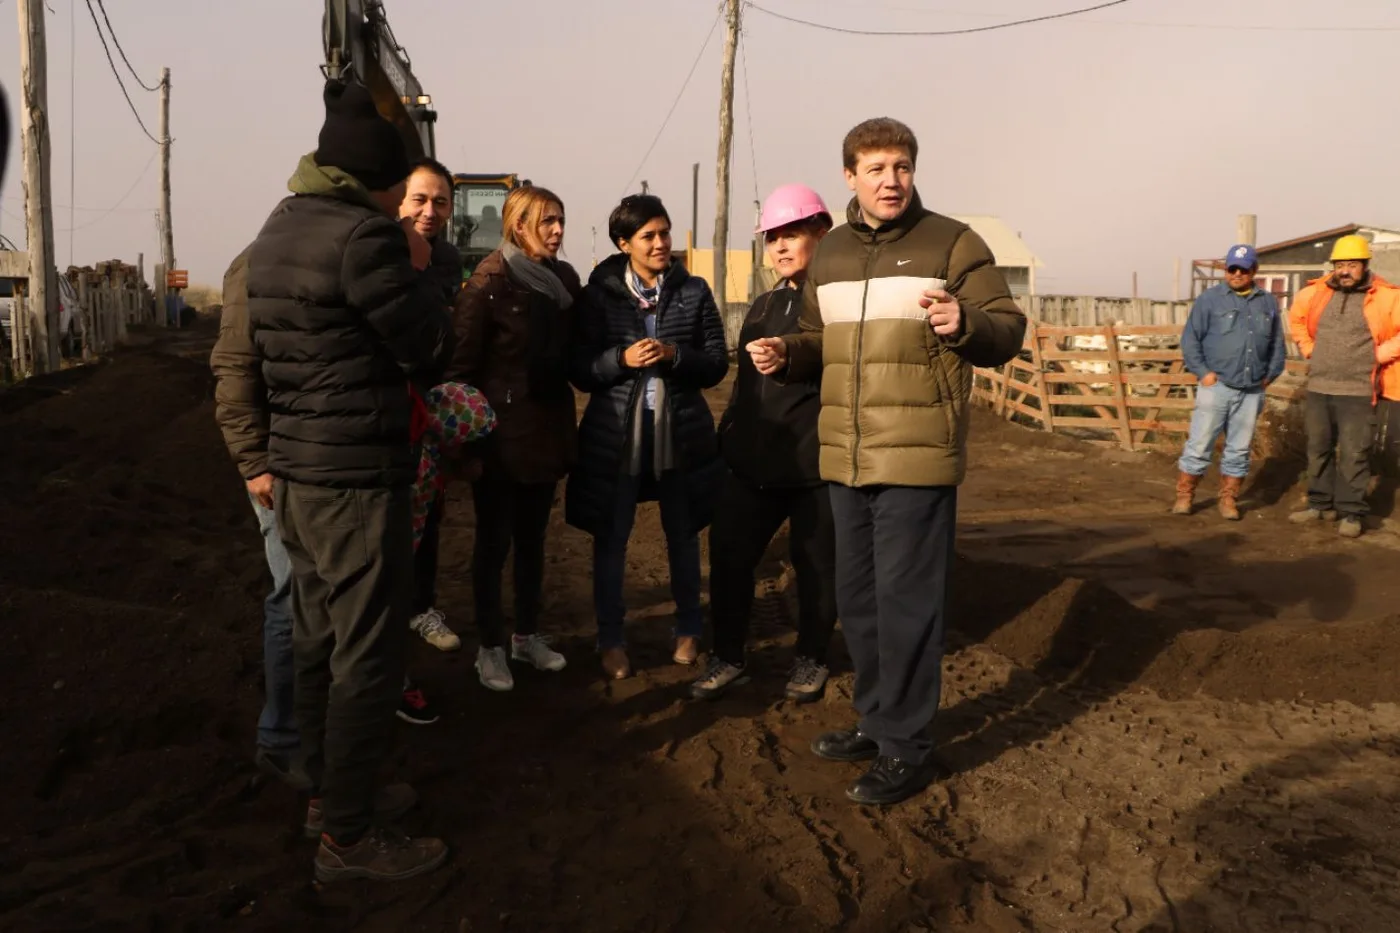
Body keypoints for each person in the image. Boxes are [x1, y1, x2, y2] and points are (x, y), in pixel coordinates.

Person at [747, 118, 1026, 806]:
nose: (890, 180)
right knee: (861, 602)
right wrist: (788, 353)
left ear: (913, 170)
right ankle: (876, 721)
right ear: (849, 177)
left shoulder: (954, 243)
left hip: (918, 456)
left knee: (908, 605)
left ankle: (908, 746)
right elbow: (819, 337)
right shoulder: (833, 252)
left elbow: (1006, 327)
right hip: (845, 454)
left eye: (900, 167)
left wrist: (966, 323)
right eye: (875, 168)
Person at [248, 79, 453, 883]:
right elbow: (427, 345)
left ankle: (325, 796)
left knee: (313, 637)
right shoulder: (364, 238)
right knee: (365, 656)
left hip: (297, 469)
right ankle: (351, 839)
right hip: (356, 476)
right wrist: (422, 281)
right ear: (377, 178)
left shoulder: (278, 227)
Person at [567, 194, 729, 680]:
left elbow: (717, 363)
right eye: (648, 236)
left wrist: (675, 355)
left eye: (665, 232)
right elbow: (580, 370)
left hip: (680, 437)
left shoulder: (695, 291)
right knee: (611, 540)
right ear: (624, 244)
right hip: (617, 439)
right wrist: (621, 360)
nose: (661, 244)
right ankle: (611, 639)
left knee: (682, 536)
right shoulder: (598, 298)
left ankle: (688, 628)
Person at [691, 184, 839, 704]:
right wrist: (730, 432)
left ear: (821, 234)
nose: (779, 246)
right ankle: (729, 656)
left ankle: (812, 658)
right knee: (729, 558)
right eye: (772, 237)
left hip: (815, 466)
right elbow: (747, 387)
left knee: (818, 568)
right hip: (752, 466)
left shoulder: (839, 304)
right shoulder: (764, 302)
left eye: (791, 234)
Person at [447, 185, 581, 691]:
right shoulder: (487, 285)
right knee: (493, 545)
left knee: (532, 542)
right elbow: (461, 374)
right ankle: (491, 648)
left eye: (561, 220)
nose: (558, 231)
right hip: (499, 443)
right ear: (518, 226)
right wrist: (465, 452)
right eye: (547, 221)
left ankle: (527, 637)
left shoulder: (564, 280)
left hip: (545, 435)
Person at [210, 243, 309, 791]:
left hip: (317, 456)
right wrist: (254, 462)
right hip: (281, 462)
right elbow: (235, 366)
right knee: (292, 593)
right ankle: (280, 738)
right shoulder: (264, 258)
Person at [1287, 234, 1400, 538]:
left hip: (1359, 391)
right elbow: (1296, 320)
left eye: (1352, 264)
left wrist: (1381, 354)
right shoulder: (1316, 294)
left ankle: (1351, 512)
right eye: (1340, 264)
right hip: (1320, 386)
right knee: (1318, 448)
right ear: (1333, 266)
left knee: (1353, 453)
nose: (1345, 270)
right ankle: (1320, 504)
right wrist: (1309, 347)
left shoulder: (1387, 296)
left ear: (1365, 265)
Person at [400, 158, 465, 658]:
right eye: (420, 199)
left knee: (427, 513)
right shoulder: (372, 252)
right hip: (377, 413)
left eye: (440, 202)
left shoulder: (446, 260)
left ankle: (420, 606)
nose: (430, 210)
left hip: (425, 406)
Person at [1172, 244, 1286, 520]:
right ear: (1226, 271)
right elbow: (1190, 340)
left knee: (1239, 448)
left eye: (1243, 269)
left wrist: (1268, 376)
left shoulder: (1267, 302)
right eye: (1231, 268)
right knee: (1200, 444)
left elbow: (1277, 345)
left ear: (1253, 271)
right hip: (1217, 386)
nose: (1236, 273)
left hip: (1251, 390)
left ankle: (1228, 500)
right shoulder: (1210, 300)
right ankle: (1185, 497)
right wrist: (1204, 373)